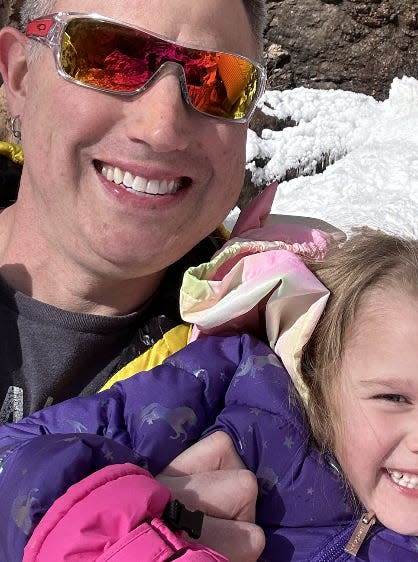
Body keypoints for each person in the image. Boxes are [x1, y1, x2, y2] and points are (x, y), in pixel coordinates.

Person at [0, 230, 418, 561]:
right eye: (393, 398)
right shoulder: (237, 393)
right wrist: (103, 533)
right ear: (321, 372)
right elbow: (14, 458)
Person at [0, 1, 270, 559]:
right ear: (19, 75)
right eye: (110, 56)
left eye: (217, 81)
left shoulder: (296, 374)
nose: (163, 126)